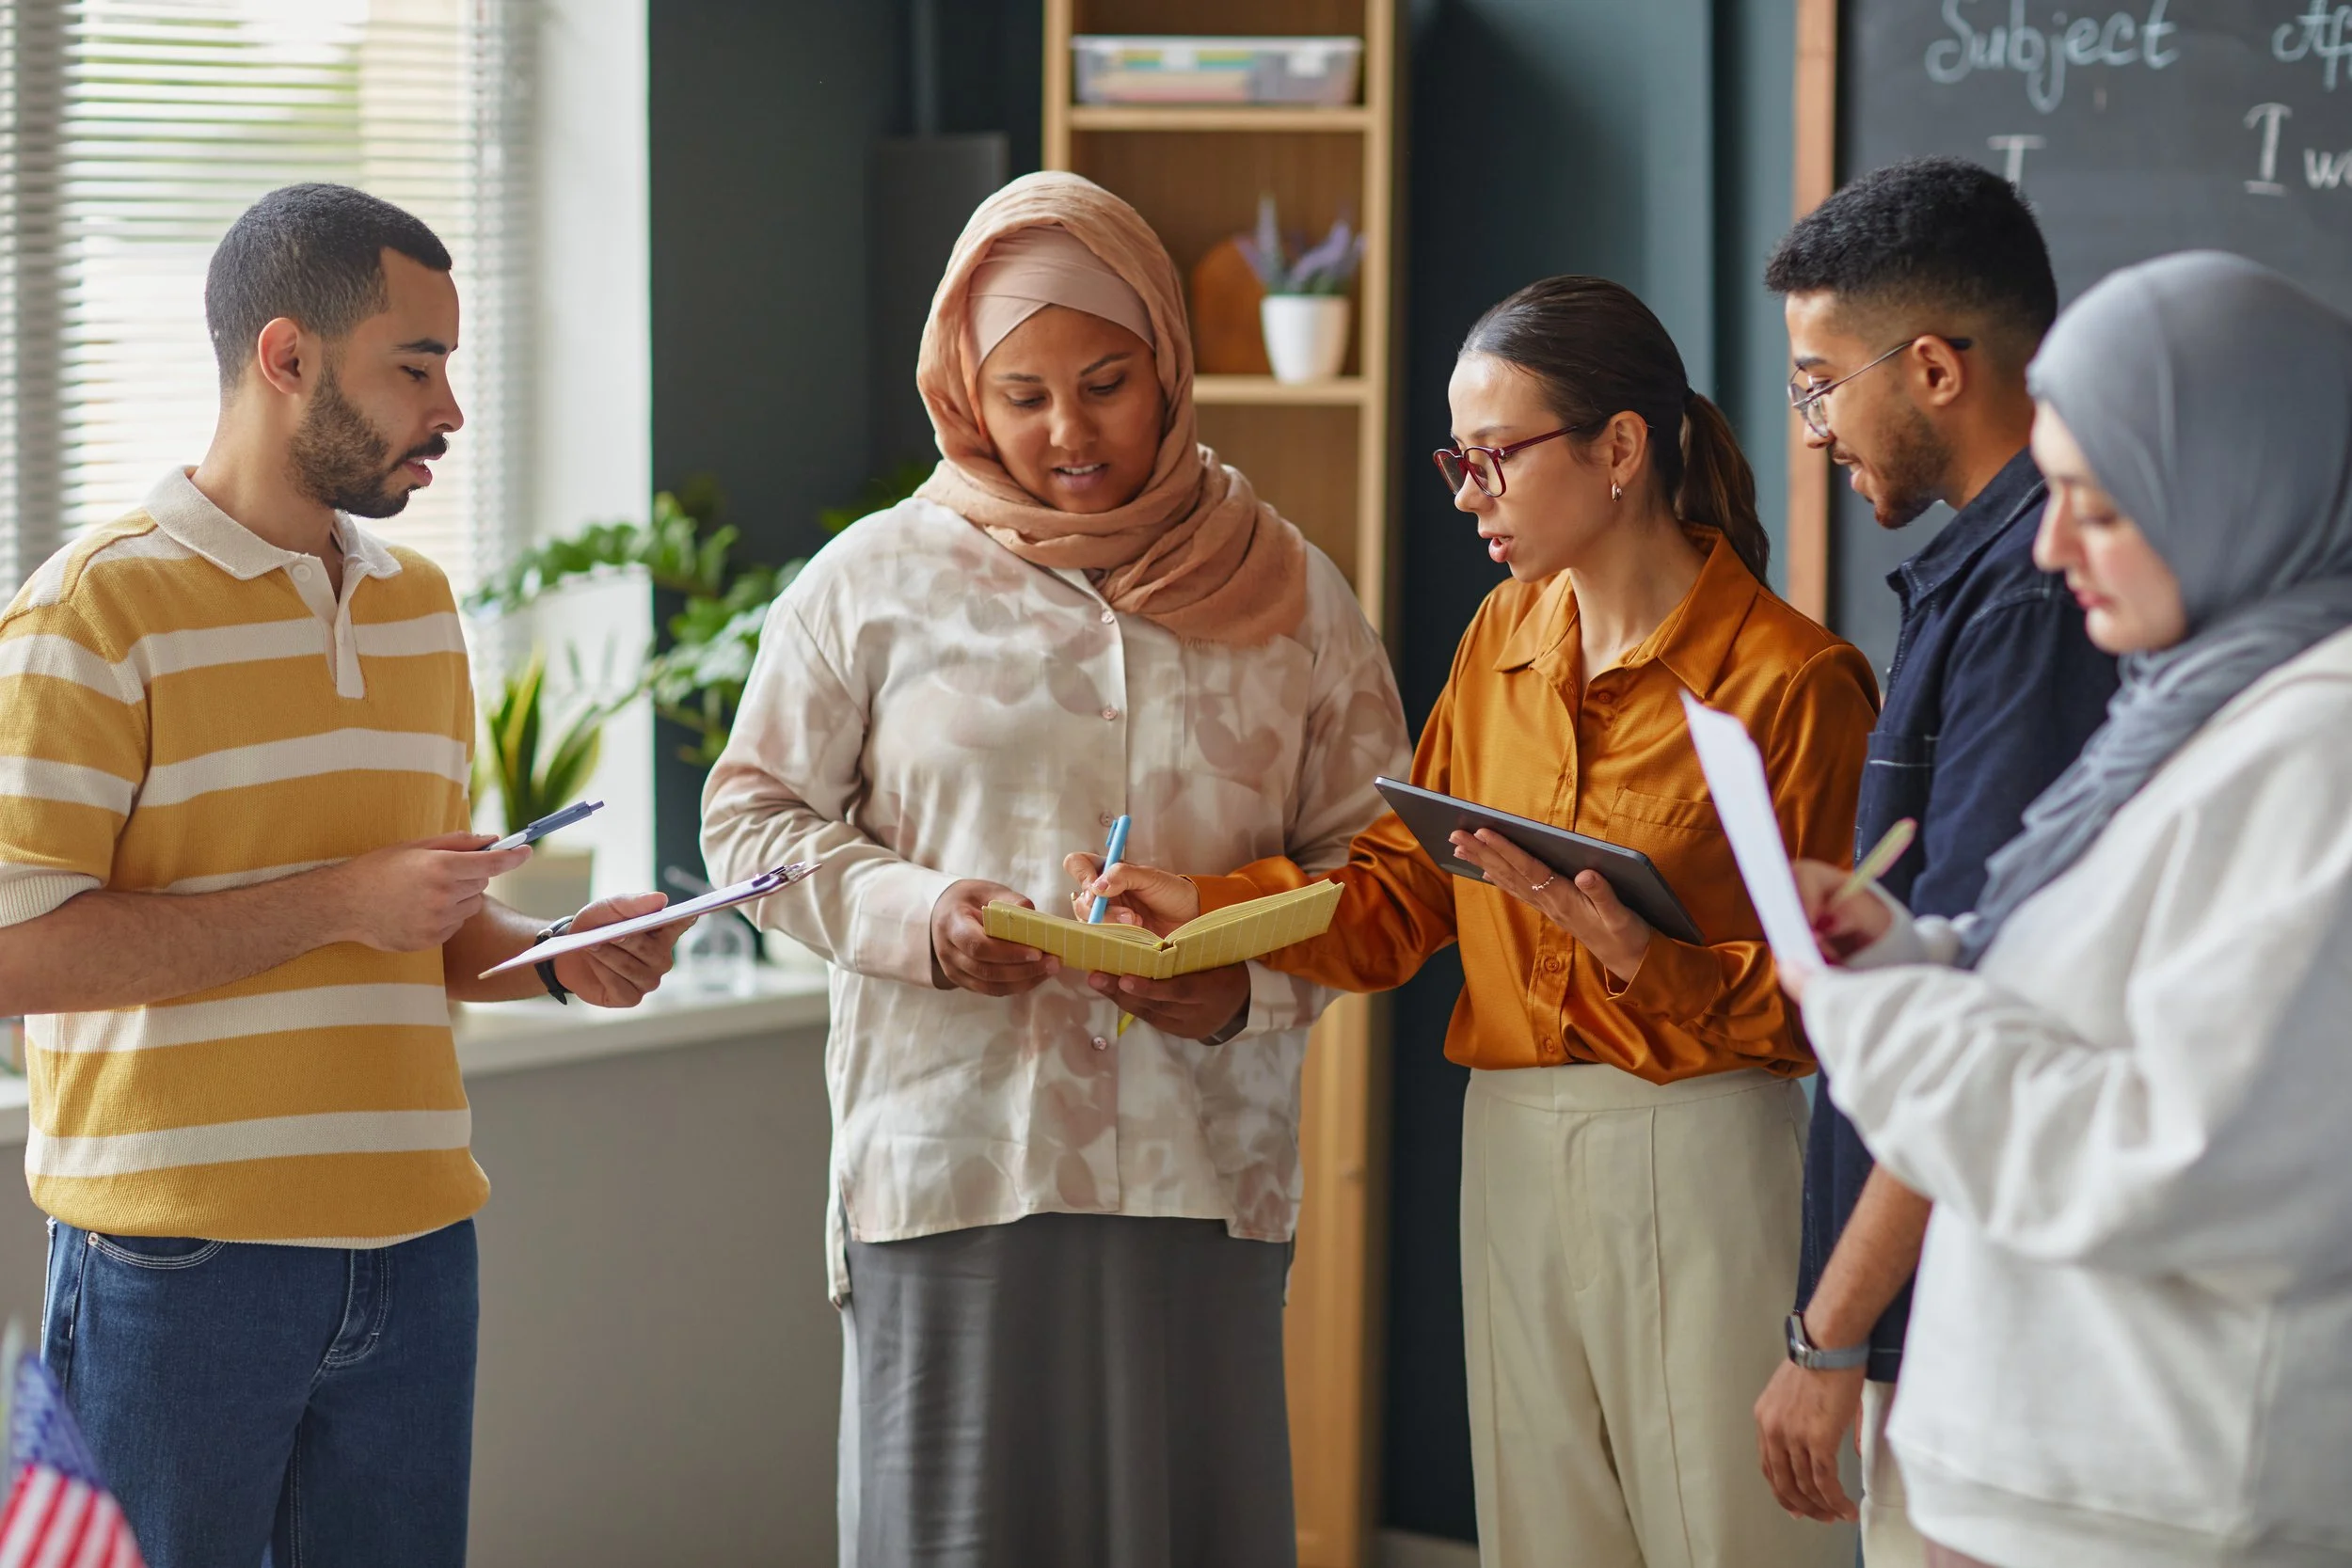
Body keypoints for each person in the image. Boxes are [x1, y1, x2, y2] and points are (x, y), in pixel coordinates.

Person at [1080, 276, 1875, 1568]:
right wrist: (1208, 905)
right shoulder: (1502, 636)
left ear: (1621, 449)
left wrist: (1650, 962)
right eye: (1462, 457)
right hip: (1510, 1145)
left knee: (1734, 1539)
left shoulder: (1795, 684)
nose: (1468, 492)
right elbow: (1399, 893)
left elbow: (1847, 1007)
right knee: (1543, 1540)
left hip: (1707, 1146)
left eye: (1496, 457)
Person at [698, 170, 1409, 1568]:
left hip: (1203, 1168)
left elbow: (1379, 853)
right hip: (953, 1159)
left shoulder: (1291, 592)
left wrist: (1244, 987)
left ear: (1168, 369)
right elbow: (751, 826)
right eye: (1022, 394)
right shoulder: (871, 583)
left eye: (1106, 381)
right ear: (966, 391)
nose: (1068, 431)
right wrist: (925, 918)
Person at [0, 183, 686, 1568]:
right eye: (414, 366)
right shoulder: (91, 613)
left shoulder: (422, 609)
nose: (449, 407)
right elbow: (20, 953)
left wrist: (556, 955)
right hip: (178, 1272)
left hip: (416, 1243)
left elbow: (418, 926)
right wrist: (336, 901)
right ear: (285, 357)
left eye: (450, 363)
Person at [1788, 251, 2352, 1568]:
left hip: (2162, 1506)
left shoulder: (2318, 752)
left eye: (2092, 506)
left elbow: (2182, 1152)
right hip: (2057, 1476)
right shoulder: (2186, 711)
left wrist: (1887, 1025)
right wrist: (1902, 955)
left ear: (2230, 489)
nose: (2048, 544)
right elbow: (2074, 1007)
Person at [1752, 157, 2117, 1560]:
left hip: (1969, 1321)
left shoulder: (2035, 597)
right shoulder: (1997, 568)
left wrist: (1828, 1330)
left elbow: (1984, 1000)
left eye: (1820, 382)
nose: (1814, 425)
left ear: (1932, 369)